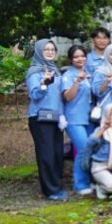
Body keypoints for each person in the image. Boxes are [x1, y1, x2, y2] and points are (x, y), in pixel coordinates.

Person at [26, 39, 67, 201]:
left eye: (52, 49)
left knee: (57, 153)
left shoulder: (55, 71)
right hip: (40, 118)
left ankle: (57, 186)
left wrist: (62, 115)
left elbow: (59, 97)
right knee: (46, 154)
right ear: (39, 51)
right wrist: (44, 84)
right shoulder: (34, 72)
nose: (50, 52)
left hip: (56, 117)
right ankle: (50, 191)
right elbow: (34, 95)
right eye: (46, 49)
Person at [62, 45, 95, 195]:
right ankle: (80, 184)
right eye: (76, 57)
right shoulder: (68, 75)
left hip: (89, 117)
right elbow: (67, 97)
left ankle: (89, 181)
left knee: (90, 148)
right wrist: (77, 81)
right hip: (74, 118)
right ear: (71, 59)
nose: (80, 59)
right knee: (82, 149)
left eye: (82, 56)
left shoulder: (89, 73)